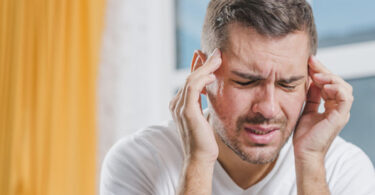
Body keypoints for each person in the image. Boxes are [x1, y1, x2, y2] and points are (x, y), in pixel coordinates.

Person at [100, 0, 375, 194]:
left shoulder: (344, 169)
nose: (268, 108)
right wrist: (198, 161)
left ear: (310, 82)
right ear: (202, 73)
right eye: (246, 81)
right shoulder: (138, 161)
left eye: (288, 85)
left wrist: (311, 163)